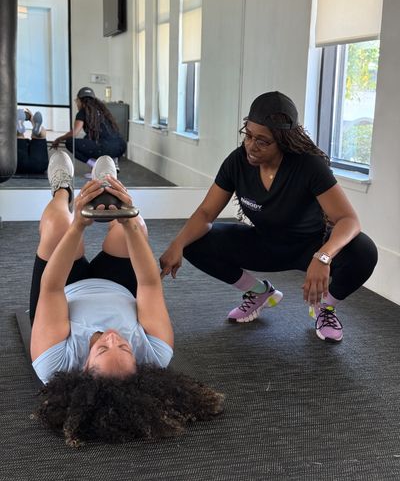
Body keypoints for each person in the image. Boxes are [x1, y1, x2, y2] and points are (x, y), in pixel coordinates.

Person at [30, 153, 224, 447]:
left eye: (102, 350)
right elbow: (148, 283)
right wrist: (130, 221)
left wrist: (78, 226)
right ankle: (108, 187)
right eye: (124, 346)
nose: (112, 336)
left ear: (83, 369)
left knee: (59, 221)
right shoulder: (155, 354)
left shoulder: (54, 363)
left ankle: (61, 189)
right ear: (139, 366)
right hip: (116, 286)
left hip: (64, 289)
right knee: (136, 225)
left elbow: (52, 287)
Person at [160, 91, 378, 343]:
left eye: (263, 141)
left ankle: (324, 307)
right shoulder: (237, 162)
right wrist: (176, 244)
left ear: (284, 141)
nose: (251, 146)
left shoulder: (309, 165)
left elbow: (348, 220)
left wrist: (324, 256)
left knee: (364, 251)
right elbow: (206, 213)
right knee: (193, 241)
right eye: (249, 135)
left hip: (309, 247)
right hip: (263, 244)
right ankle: (259, 292)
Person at [51, 87, 126, 173]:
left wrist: (59, 139)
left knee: (70, 142)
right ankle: (113, 161)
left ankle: (96, 166)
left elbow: (74, 133)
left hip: (105, 147)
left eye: (77, 101)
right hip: (120, 147)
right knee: (87, 138)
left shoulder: (83, 112)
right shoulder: (103, 111)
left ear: (79, 100)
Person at [16, 108, 49, 174]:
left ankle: (18, 126)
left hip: (19, 165)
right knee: (39, 137)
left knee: (19, 136)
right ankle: (38, 129)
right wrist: (32, 119)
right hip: (39, 165)